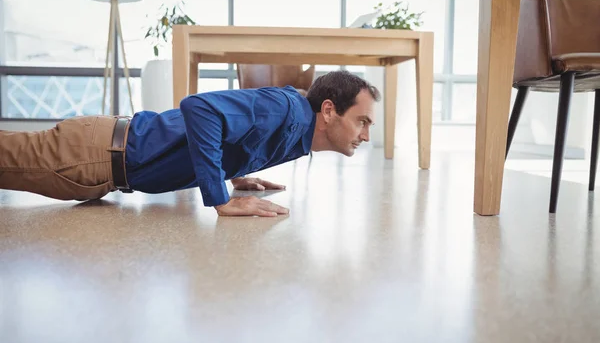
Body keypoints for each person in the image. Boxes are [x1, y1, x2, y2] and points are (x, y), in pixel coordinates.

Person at [0, 70, 380, 217]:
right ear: (328, 110)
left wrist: (236, 172)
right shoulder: (286, 109)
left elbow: (233, 130)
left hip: (102, 159)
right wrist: (221, 199)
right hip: (92, 155)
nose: (365, 135)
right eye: (361, 121)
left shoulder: (294, 128)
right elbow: (200, 109)